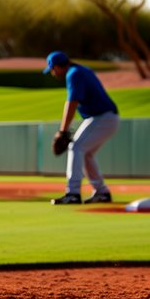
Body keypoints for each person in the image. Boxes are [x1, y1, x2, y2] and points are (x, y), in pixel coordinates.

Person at [44, 51, 119, 204]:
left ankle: (73, 193)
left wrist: (63, 131)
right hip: (105, 117)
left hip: (102, 117)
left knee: (76, 147)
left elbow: (72, 103)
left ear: (57, 66)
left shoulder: (74, 74)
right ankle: (101, 192)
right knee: (85, 153)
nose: (52, 73)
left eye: (52, 69)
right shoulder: (81, 70)